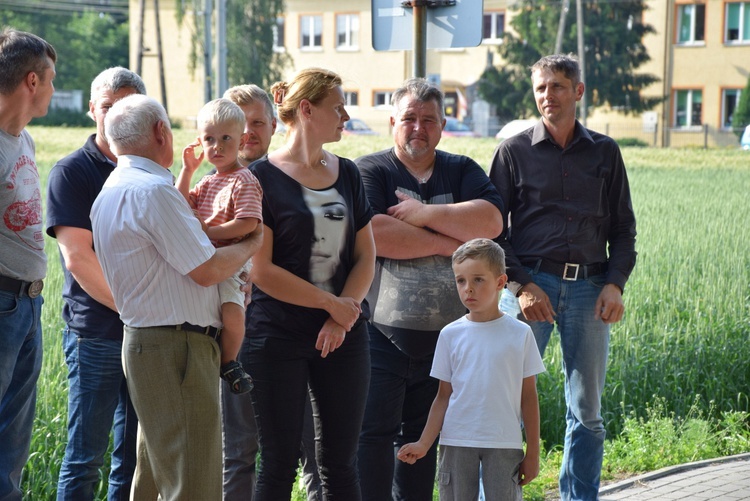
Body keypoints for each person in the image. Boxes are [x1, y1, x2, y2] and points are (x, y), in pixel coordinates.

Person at [90, 94, 263, 500]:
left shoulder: (110, 191)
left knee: (155, 473)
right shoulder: (154, 191)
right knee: (193, 480)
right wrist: (251, 243)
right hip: (179, 347)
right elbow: (207, 271)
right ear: (160, 132)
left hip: (145, 342)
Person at [488, 54, 637, 501]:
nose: (547, 96)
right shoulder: (513, 151)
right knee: (504, 406)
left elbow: (623, 229)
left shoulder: (605, 152)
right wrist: (521, 286)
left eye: (556, 86)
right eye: (540, 88)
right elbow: (494, 230)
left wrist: (615, 283)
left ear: (578, 91)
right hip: (532, 288)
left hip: (592, 290)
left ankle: (580, 497)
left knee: (587, 411)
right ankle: (496, 495)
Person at [356, 77, 505, 501]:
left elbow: (491, 221)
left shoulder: (462, 170)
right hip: (380, 334)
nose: (417, 127)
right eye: (408, 118)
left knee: (424, 443)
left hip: (449, 340)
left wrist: (423, 213)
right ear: (391, 123)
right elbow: (376, 233)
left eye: (428, 119)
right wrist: (451, 243)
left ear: (442, 124)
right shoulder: (372, 170)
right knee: (373, 438)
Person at [245, 67, 376, 500]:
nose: (346, 116)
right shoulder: (260, 178)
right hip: (275, 334)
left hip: (342, 334)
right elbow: (261, 270)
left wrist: (343, 314)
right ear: (306, 109)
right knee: (278, 465)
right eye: (338, 107)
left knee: (341, 464)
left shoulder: (349, 174)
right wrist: (330, 303)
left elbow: (365, 256)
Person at [46, 66, 144, 501]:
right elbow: (78, 258)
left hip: (146, 334)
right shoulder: (72, 172)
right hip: (97, 334)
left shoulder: (150, 172)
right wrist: (136, 310)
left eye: (126, 108)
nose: (116, 116)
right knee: (86, 457)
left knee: (134, 457)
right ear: (92, 111)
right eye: (107, 107)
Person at [396, 238, 545, 500]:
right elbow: (443, 396)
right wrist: (424, 443)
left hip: (504, 444)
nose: (468, 289)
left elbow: (529, 398)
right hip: (456, 443)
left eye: (478, 279)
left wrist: (532, 453)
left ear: (500, 282)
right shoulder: (449, 335)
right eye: (461, 281)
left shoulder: (520, 334)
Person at [0, 27, 56, 501]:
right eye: (51, 80)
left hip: (28, 305)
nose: (55, 90)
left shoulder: (25, 141)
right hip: (1, 301)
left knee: (12, 443)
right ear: (32, 82)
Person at [176, 97, 261, 394]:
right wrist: (187, 170)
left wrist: (208, 229)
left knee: (232, 310)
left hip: (230, 259)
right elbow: (178, 202)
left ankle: (230, 360)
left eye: (226, 138)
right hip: (206, 257)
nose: (218, 146)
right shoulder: (208, 180)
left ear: (243, 140)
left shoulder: (244, 180)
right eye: (209, 139)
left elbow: (248, 224)